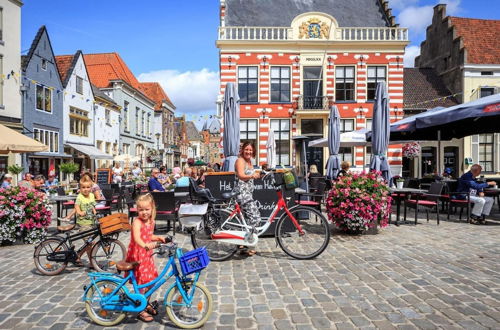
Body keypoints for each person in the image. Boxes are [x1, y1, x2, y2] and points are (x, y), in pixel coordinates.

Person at [125, 193, 166, 322]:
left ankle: (145, 303)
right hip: (137, 255)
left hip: (147, 256)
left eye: (146, 209)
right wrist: (145, 245)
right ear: (137, 210)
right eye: (141, 209)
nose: (143, 212)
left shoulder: (151, 221)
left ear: (152, 208)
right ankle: (140, 310)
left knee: (151, 282)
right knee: (142, 283)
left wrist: (158, 238)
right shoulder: (137, 222)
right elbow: (137, 238)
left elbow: (148, 236)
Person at [234, 142, 261, 256]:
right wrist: (251, 175)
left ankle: (242, 243)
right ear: (242, 150)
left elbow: (250, 175)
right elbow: (240, 175)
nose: (248, 152)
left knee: (245, 220)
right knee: (255, 217)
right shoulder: (240, 160)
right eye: (246, 149)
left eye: (250, 150)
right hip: (242, 194)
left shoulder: (250, 162)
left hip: (248, 194)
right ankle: (251, 244)